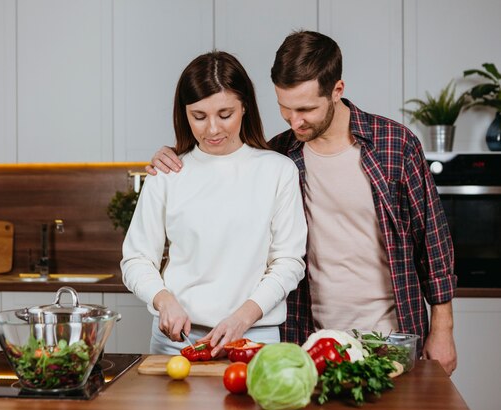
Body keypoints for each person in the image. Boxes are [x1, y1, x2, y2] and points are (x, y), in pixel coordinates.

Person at [146, 31, 458, 375]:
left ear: (337, 91)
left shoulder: (394, 146)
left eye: (306, 109)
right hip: (308, 339)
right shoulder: (280, 153)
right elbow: (226, 166)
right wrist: (172, 156)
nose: (295, 121)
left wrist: (442, 329)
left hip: (390, 333)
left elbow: (433, 241)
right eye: (285, 108)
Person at [121, 51, 307, 357]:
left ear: (245, 106)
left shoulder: (278, 171)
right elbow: (136, 259)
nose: (212, 129)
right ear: (184, 113)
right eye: (199, 116)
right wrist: (163, 299)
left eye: (225, 114)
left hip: (253, 338)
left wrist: (243, 317)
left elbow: (288, 262)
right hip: (177, 340)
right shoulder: (167, 173)